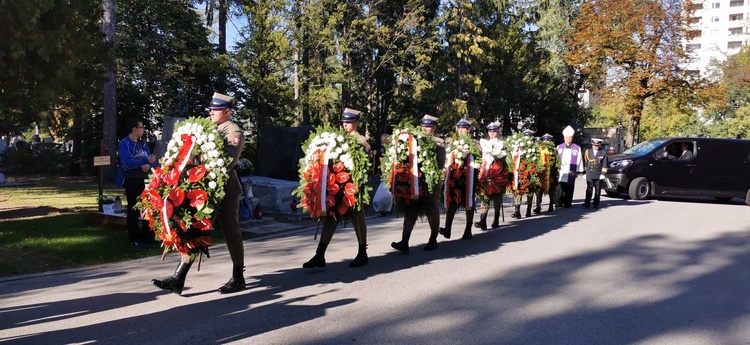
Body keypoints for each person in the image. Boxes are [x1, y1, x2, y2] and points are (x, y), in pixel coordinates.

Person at [152, 92, 247, 294]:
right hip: (204, 189)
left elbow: (227, 163)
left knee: (231, 231)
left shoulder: (233, 132)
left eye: (216, 109)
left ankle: (238, 276)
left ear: (227, 111)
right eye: (211, 109)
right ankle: (178, 277)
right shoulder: (207, 128)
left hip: (225, 190)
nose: (211, 112)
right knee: (196, 230)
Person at [303, 108, 370, 268]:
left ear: (356, 123)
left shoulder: (360, 140)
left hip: (352, 184)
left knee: (357, 217)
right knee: (331, 216)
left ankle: (362, 252)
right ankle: (320, 255)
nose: (345, 125)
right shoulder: (338, 140)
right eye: (343, 122)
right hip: (336, 183)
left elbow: (363, 165)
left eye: (348, 122)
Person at [390, 115, 444, 253]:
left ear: (434, 128)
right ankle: (404, 241)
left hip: (431, 181)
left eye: (429, 126)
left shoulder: (438, 143)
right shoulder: (414, 140)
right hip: (415, 179)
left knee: (432, 209)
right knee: (410, 209)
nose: (426, 129)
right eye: (424, 126)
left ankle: (433, 238)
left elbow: (440, 163)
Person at [117, 117, 157, 247]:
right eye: (141, 128)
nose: (143, 130)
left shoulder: (143, 144)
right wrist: (144, 162)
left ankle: (147, 237)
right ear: (134, 129)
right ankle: (134, 239)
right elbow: (127, 163)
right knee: (134, 208)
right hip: (132, 180)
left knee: (148, 208)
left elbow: (152, 160)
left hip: (145, 180)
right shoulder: (125, 144)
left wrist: (149, 165)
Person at [440, 119, 478, 240]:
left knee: (469, 203)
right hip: (454, 177)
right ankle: (447, 228)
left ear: (469, 130)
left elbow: (478, 160)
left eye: (464, 129)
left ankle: (468, 229)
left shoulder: (475, 143)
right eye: (459, 129)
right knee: (452, 201)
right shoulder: (453, 143)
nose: (461, 131)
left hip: (469, 177)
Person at [474, 121, 508, 229]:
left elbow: (505, 158)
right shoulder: (484, 143)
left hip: (498, 172)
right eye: (490, 131)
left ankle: (496, 219)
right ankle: (483, 220)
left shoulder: (502, 144)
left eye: (494, 131)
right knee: (485, 194)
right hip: (486, 171)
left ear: (498, 132)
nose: (492, 133)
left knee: (497, 196)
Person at [556, 126, 583, 208]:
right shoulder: (559, 147)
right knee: (560, 187)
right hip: (561, 171)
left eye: (570, 137)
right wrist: (556, 168)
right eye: (567, 137)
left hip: (571, 171)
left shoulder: (577, 148)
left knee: (569, 187)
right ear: (564, 137)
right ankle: (558, 202)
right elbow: (556, 159)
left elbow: (579, 160)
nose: (569, 139)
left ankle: (567, 203)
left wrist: (577, 171)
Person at [534, 133, 559, 213]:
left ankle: (551, 205)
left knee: (551, 189)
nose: (547, 142)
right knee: (539, 189)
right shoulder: (540, 149)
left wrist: (556, 168)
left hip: (551, 172)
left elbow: (557, 161)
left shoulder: (554, 150)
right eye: (545, 140)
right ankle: (538, 205)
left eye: (548, 140)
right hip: (541, 172)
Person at [583, 138, 608, 208]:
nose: (595, 147)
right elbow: (586, 163)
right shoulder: (588, 151)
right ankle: (587, 203)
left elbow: (604, 164)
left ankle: (596, 203)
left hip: (598, 173)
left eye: (597, 145)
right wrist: (585, 172)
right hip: (590, 173)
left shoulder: (603, 152)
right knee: (589, 189)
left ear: (599, 145)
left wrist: (603, 174)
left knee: (597, 190)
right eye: (594, 145)